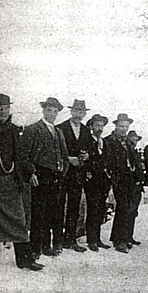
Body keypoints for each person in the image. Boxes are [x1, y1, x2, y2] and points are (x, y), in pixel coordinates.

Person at [0, 94, 42, 273]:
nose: (3, 111)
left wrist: (30, 171)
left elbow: (20, 156)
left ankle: (24, 261)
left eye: (6, 107)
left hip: (10, 182)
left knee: (19, 220)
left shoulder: (13, 130)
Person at [19, 97, 69, 259]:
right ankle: (35, 248)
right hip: (40, 176)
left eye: (55, 111)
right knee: (38, 213)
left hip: (55, 177)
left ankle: (47, 246)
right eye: (49, 110)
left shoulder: (58, 132)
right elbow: (23, 155)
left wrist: (62, 172)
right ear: (43, 110)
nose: (52, 114)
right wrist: (31, 173)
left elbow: (64, 155)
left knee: (51, 212)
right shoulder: (33, 129)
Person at [56, 99, 92, 253]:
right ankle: (57, 240)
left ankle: (70, 239)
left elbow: (90, 149)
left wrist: (86, 156)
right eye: (76, 111)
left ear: (84, 114)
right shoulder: (60, 128)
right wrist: (68, 159)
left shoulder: (85, 130)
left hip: (77, 175)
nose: (78, 115)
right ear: (71, 112)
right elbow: (55, 151)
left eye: (81, 112)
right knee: (58, 206)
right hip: (63, 173)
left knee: (74, 207)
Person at [105, 113, 139, 253]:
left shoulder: (128, 142)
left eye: (126, 126)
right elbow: (108, 161)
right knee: (123, 207)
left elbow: (134, 160)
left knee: (127, 208)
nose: (124, 129)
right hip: (117, 179)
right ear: (116, 126)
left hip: (129, 179)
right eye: (121, 126)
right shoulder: (109, 141)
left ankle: (120, 237)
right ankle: (121, 241)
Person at [85, 114, 112, 252]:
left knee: (101, 209)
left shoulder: (104, 142)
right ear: (91, 126)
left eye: (101, 126)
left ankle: (98, 238)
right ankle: (91, 239)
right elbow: (88, 160)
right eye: (97, 125)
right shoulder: (88, 141)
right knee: (93, 209)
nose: (99, 128)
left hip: (103, 181)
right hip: (92, 180)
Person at [127, 130, 145, 247]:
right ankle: (126, 237)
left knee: (133, 213)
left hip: (138, 187)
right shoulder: (128, 151)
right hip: (130, 186)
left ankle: (130, 236)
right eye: (132, 139)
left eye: (136, 140)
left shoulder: (135, 152)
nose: (134, 142)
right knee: (128, 212)